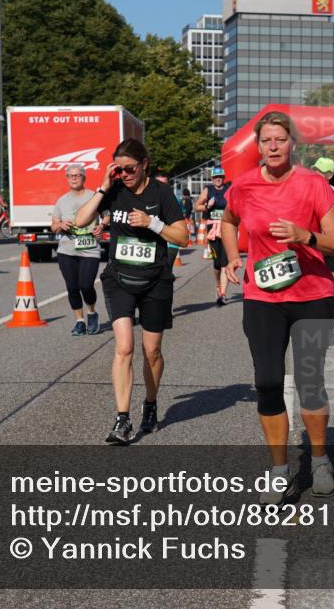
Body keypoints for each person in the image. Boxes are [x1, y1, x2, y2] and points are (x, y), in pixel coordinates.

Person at [220, 111, 334, 504]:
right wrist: (231, 256)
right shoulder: (243, 185)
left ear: (293, 144)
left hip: (311, 295)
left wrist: (304, 235)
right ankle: (279, 469)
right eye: (266, 140)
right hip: (263, 298)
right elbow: (227, 221)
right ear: (257, 146)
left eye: (280, 139)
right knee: (268, 382)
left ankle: (321, 459)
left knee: (309, 384)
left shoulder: (312, 185)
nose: (273, 146)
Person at [75, 138, 187, 445]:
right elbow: (80, 221)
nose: (124, 174)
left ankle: (150, 404)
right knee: (123, 347)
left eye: (130, 169)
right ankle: (122, 420)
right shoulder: (113, 190)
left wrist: (153, 223)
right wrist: (101, 187)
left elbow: (184, 236)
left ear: (144, 164)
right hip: (119, 278)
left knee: (151, 351)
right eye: (119, 169)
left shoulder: (161, 193)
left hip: (155, 280)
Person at [52, 165, 106, 336]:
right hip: (67, 250)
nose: (74, 178)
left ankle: (91, 313)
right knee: (72, 287)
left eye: (77, 175)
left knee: (86, 284)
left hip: (90, 248)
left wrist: (102, 225)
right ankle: (79, 321)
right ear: (66, 178)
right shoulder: (62, 201)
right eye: (70, 176)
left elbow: (107, 214)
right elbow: (53, 225)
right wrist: (60, 225)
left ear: (84, 177)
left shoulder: (93, 196)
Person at [195, 166, 232, 306]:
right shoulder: (208, 190)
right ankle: (218, 285)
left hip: (227, 228)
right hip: (213, 230)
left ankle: (222, 294)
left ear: (224, 177)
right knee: (217, 264)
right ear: (211, 178)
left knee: (225, 262)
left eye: (221, 177)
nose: (218, 179)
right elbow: (196, 206)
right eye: (216, 177)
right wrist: (207, 206)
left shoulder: (229, 188)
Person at [311, 157, 334, 286]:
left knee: (329, 288)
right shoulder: (305, 190)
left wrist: (330, 223)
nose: (316, 174)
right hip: (312, 245)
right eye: (315, 170)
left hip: (331, 246)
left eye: (320, 171)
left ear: (330, 175)